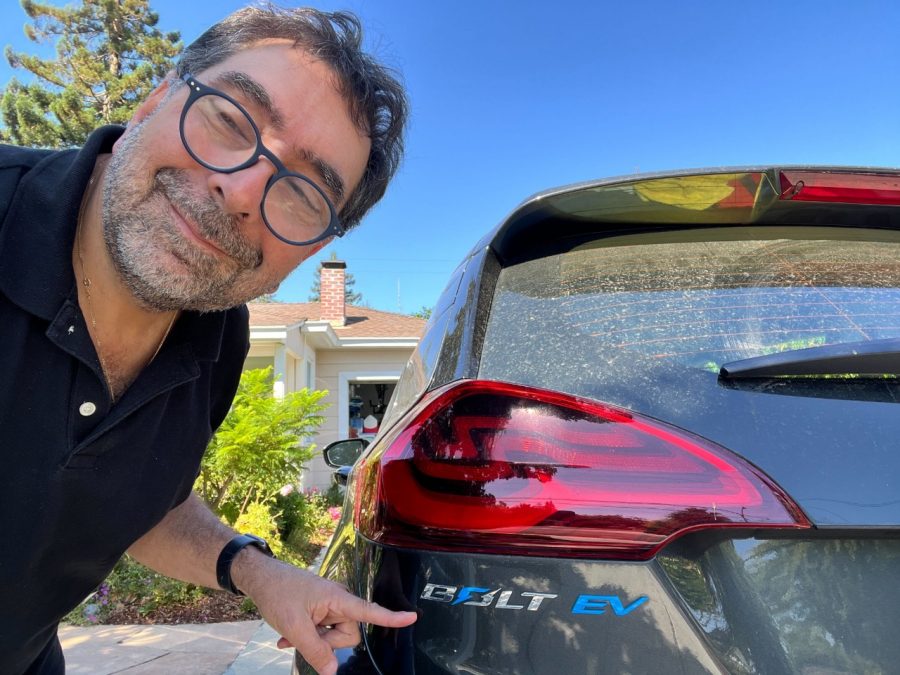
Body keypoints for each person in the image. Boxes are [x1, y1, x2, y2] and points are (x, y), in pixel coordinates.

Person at [0, 5, 416, 674]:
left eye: (305, 193)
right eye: (229, 119)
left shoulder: (217, 341)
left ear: (313, 249)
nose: (241, 190)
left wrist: (260, 573)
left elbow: (143, 499)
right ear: (154, 99)